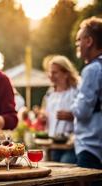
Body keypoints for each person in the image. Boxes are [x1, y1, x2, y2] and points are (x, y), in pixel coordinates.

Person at [69, 17, 102, 174]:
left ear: (89, 41)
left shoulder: (91, 70)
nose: (77, 44)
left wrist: (73, 104)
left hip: (91, 146)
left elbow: (82, 111)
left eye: (79, 40)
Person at [43, 55, 79, 163]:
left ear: (66, 73)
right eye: (50, 72)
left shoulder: (76, 92)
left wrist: (72, 116)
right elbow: (49, 122)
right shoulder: (50, 94)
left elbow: (87, 114)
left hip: (72, 145)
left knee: (66, 166)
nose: (51, 76)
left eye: (55, 72)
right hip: (53, 145)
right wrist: (44, 118)